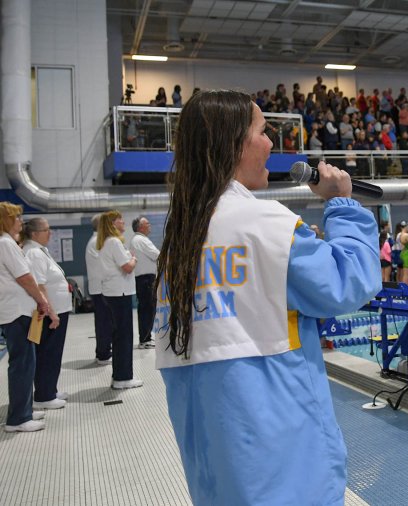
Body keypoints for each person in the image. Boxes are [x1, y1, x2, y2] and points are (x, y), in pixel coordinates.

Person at [153, 90, 380, 505]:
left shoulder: (179, 238)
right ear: (235, 144)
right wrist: (342, 204)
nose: (271, 144)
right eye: (262, 132)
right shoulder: (264, 223)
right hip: (283, 469)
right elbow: (349, 283)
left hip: (215, 475)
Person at [0, 202, 57, 433]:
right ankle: (18, 419)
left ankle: (25, 409)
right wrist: (42, 301)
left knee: (26, 362)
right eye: (16, 217)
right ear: (6, 220)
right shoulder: (6, 243)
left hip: (16, 310)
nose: (20, 221)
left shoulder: (7, 242)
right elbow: (25, 278)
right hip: (17, 312)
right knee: (22, 364)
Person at [22, 218, 71, 410]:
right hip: (50, 313)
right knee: (48, 353)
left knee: (53, 353)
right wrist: (52, 312)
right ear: (34, 233)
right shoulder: (34, 253)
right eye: (46, 230)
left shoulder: (40, 250)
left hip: (57, 310)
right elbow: (40, 286)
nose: (50, 233)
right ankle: (44, 396)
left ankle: (50, 389)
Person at [98, 210, 141, 389]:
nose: (123, 222)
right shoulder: (114, 242)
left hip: (113, 292)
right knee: (124, 336)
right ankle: (123, 378)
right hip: (119, 293)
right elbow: (127, 267)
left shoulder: (107, 242)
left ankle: (120, 375)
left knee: (119, 335)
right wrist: (134, 258)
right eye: (119, 219)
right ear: (112, 224)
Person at [85, 214, 112, 365]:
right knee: (104, 323)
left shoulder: (97, 241)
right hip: (101, 289)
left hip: (100, 288)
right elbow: (106, 264)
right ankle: (103, 354)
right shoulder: (97, 242)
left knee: (104, 322)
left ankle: (103, 351)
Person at [130, 216, 160, 349]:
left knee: (146, 309)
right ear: (140, 227)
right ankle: (145, 339)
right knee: (147, 309)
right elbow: (157, 255)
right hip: (146, 279)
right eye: (147, 223)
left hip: (143, 279)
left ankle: (146, 338)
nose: (150, 225)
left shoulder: (138, 239)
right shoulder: (141, 240)